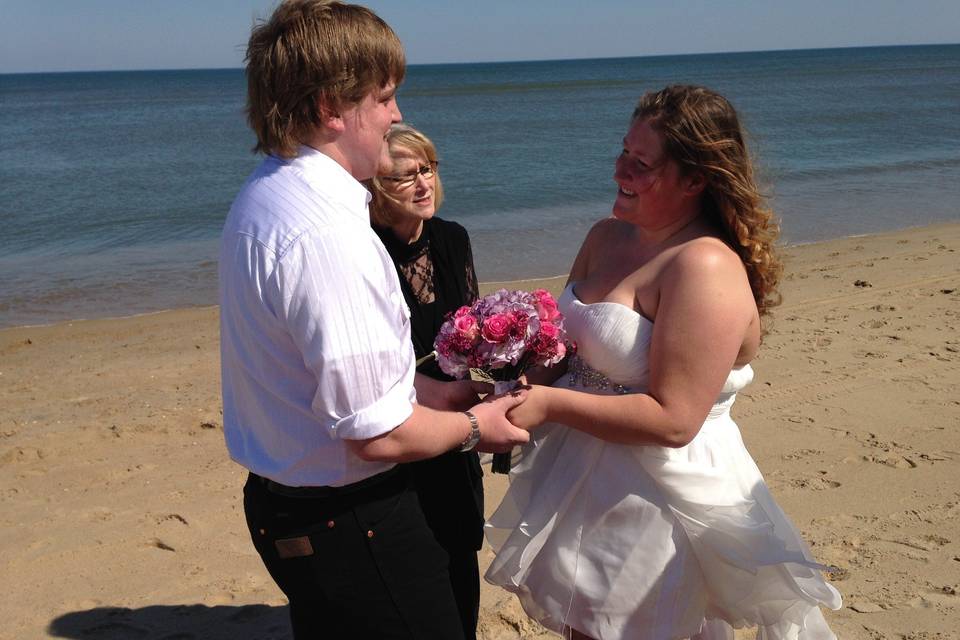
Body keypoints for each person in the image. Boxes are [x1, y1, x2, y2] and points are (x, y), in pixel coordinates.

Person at [484, 85, 842, 640]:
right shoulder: (604, 236)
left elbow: (676, 420)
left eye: (641, 162)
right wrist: (516, 386)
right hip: (582, 476)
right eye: (622, 151)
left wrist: (549, 404)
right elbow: (563, 346)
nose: (619, 169)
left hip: (658, 498)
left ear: (695, 180)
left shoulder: (704, 267)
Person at [218, 2, 529, 639]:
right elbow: (375, 436)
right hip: (350, 519)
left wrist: (431, 393)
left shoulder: (266, 192)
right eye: (384, 96)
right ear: (334, 107)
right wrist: (476, 426)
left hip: (284, 504)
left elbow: (322, 379)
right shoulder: (329, 232)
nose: (396, 115)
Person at [366, 123, 485, 639]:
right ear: (375, 190)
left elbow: (473, 332)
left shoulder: (453, 238)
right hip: (401, 417)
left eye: (428, 168)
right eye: (405, 177)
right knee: (410, 553)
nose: (423, 184)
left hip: (455, 418)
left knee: (461, 548)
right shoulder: (365, 252)